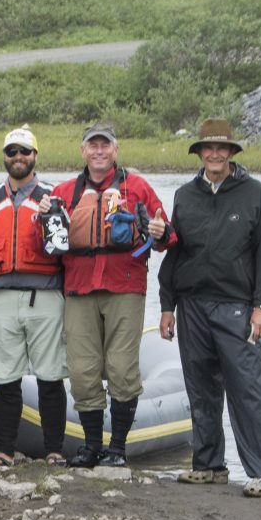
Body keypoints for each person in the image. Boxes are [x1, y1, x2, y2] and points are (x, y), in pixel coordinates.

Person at [158, 118, 261, 498]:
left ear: (231, 153)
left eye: (221, 148)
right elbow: (174, 254)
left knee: (249, 390)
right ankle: (208, 465)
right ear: (199, 153)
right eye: (207, 148)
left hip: (236, 308)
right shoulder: (185, 195)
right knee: (201, 388)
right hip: (192, 305)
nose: (214, 154)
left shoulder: (254, 193)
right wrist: (167, 306)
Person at [44, 123, 175, 469]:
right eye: (93, 146)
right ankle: (90, 447)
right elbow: (45, 241)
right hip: (79, 287)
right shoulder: (63, 192)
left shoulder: (138, 188)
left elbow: (167, 237)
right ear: (83, 151)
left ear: (115, 150)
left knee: (120, 367)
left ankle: (117, 448)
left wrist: (161, 231)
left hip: (125, 286)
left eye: (105, 146)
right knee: (83, 370)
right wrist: (43, 215)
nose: (99, 152)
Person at [0, 126, 68, 466]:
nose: (18, 158)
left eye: (25, 152)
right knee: (5, 379)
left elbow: (64, 249)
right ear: (4, 157)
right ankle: (4, 450)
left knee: (50, 376)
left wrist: (51, 214)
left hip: (43, 295)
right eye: (12, 152)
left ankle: (54, 449)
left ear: (35, 156)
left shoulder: (53, 197)